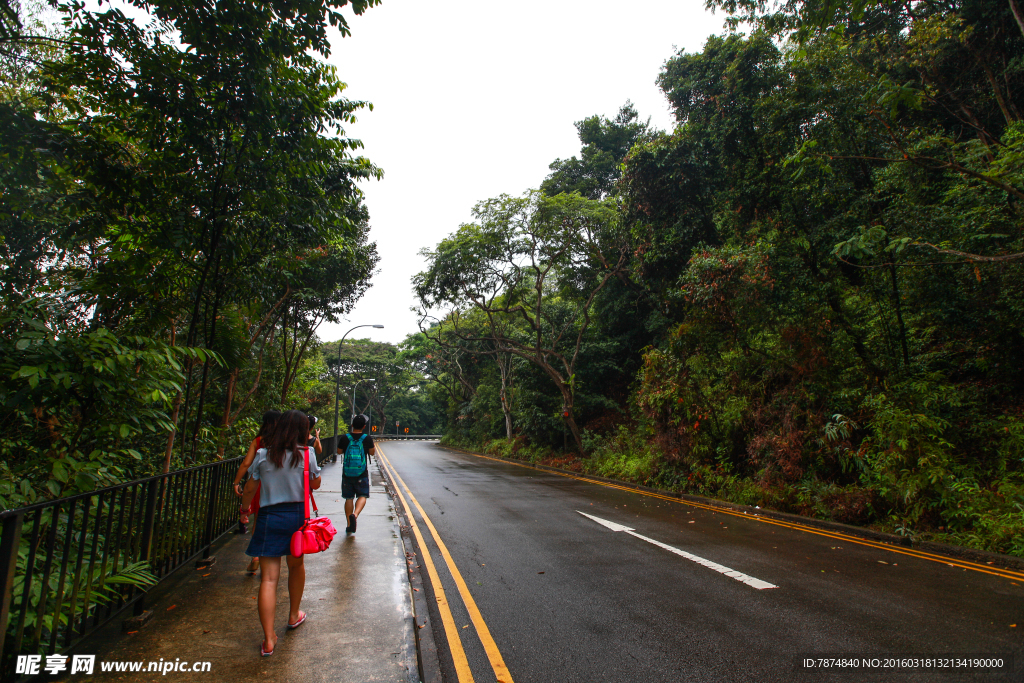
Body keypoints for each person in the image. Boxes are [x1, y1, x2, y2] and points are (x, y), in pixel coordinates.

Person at [239, 410, 322, 657]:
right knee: (296, 567)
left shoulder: (264, 455)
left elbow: (250, 488)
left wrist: (244, 511)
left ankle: (268, 639)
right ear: (301, 431)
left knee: (268, 579)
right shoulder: (307, 455)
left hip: (268, 517)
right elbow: (315, 484)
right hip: (297, 517)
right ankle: (294, 614)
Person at [233, 410, 281, 574]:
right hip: (279, 485)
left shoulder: (259, 441)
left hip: (259, 484)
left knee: (258, 520)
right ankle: (270, 556)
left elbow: (246, 464)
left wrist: (236, 482)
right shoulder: (284, 441)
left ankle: (256, 556)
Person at [336, 414, 374, 534]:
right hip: (361, 473)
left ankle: (348, 524)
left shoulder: (345, 437)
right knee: (363, 495)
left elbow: (339, 451)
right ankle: (355, 514)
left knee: (349, 498)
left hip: (347, 472)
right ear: (364, 426)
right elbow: (372, 453)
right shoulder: (367, 438)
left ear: (352, 425)